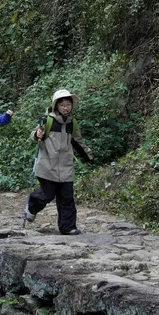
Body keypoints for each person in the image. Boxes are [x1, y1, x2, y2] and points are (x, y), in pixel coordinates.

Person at [24, 88, 94, 235]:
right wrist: (37, 135)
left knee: (67, 197)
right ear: (56, 105)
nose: (66, 107)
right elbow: (34, 136)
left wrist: (88, 157)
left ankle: (68, 227)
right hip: (47, 165)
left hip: (66, 166)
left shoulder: (71, 124)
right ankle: (32, 206)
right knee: (47, 195)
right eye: (62, 105)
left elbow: (78, 142)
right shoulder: (47, 120)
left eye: (68, 104)